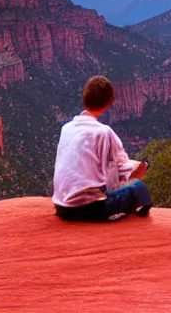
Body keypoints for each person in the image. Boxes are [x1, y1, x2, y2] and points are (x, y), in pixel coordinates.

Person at [52, 75, 152, 221]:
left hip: (61, 207)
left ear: (85, 98)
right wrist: (143, 166)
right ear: (109, 102)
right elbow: (124, 168)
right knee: (138, 188)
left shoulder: (66, 128)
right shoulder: (104, 132)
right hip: (89, 209)